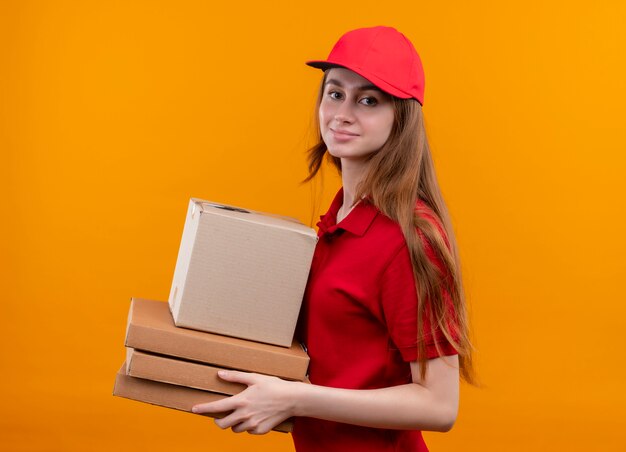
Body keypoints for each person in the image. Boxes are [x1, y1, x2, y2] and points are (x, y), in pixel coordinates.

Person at [192, 26, 475, 452]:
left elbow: (439, 405)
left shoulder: (410, 236)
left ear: (402, 117)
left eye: (368, 100)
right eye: (334, 93)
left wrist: (294, 398)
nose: (342, 113)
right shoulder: (339, 219)